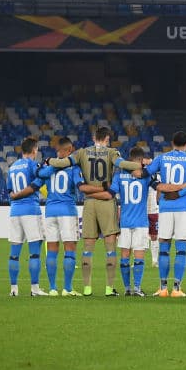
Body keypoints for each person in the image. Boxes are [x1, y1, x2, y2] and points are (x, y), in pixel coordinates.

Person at [48, 126, 122, 296]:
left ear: (94, 137)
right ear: (107, 139)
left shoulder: (82, 153)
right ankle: (109, 289)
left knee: (88, 247)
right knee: (110, 247)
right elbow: (115, 180)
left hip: (89, 203)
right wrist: (105, 190)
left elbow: (76, 180)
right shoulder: (112, 153)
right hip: (106, 202)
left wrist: (48, 161)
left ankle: (87, 289)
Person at [137, 131, 186, 297]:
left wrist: (158, 186)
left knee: (164, 248)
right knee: (181, 250)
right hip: (184, 207)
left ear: (172, 143)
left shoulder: (162, 158)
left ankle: (162, 288)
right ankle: (177, 289)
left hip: (165, 206)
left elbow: (145, 174)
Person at [37, 137, 85, 296]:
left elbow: (40, 174)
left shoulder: (50, 166)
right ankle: (67, 288)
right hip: (67, 211)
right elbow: (79, 185)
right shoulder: (74, 167)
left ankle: (52, 288)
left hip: (50, 211)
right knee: (70, 249)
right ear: (70, 149)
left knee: (52, 250)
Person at [6, 138, 48, 297]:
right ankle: (35, 289)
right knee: (34, 253)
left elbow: (9, 191)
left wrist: (15, 196)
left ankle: (14, 289)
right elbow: (37, 184)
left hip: (15, 212)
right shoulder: (32, 165)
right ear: (35, 150)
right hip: (31, 210)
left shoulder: (13, 167)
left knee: (14, 253)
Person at [110, 146, 153, 296]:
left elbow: (112, 193)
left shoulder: (119, 174)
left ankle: (127, 288)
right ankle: (137, 288)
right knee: (139, 255)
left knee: (124, 256)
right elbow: (157, 183)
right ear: (141, 160)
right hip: (140, 222)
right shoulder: (146, 175)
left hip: (125, 222)